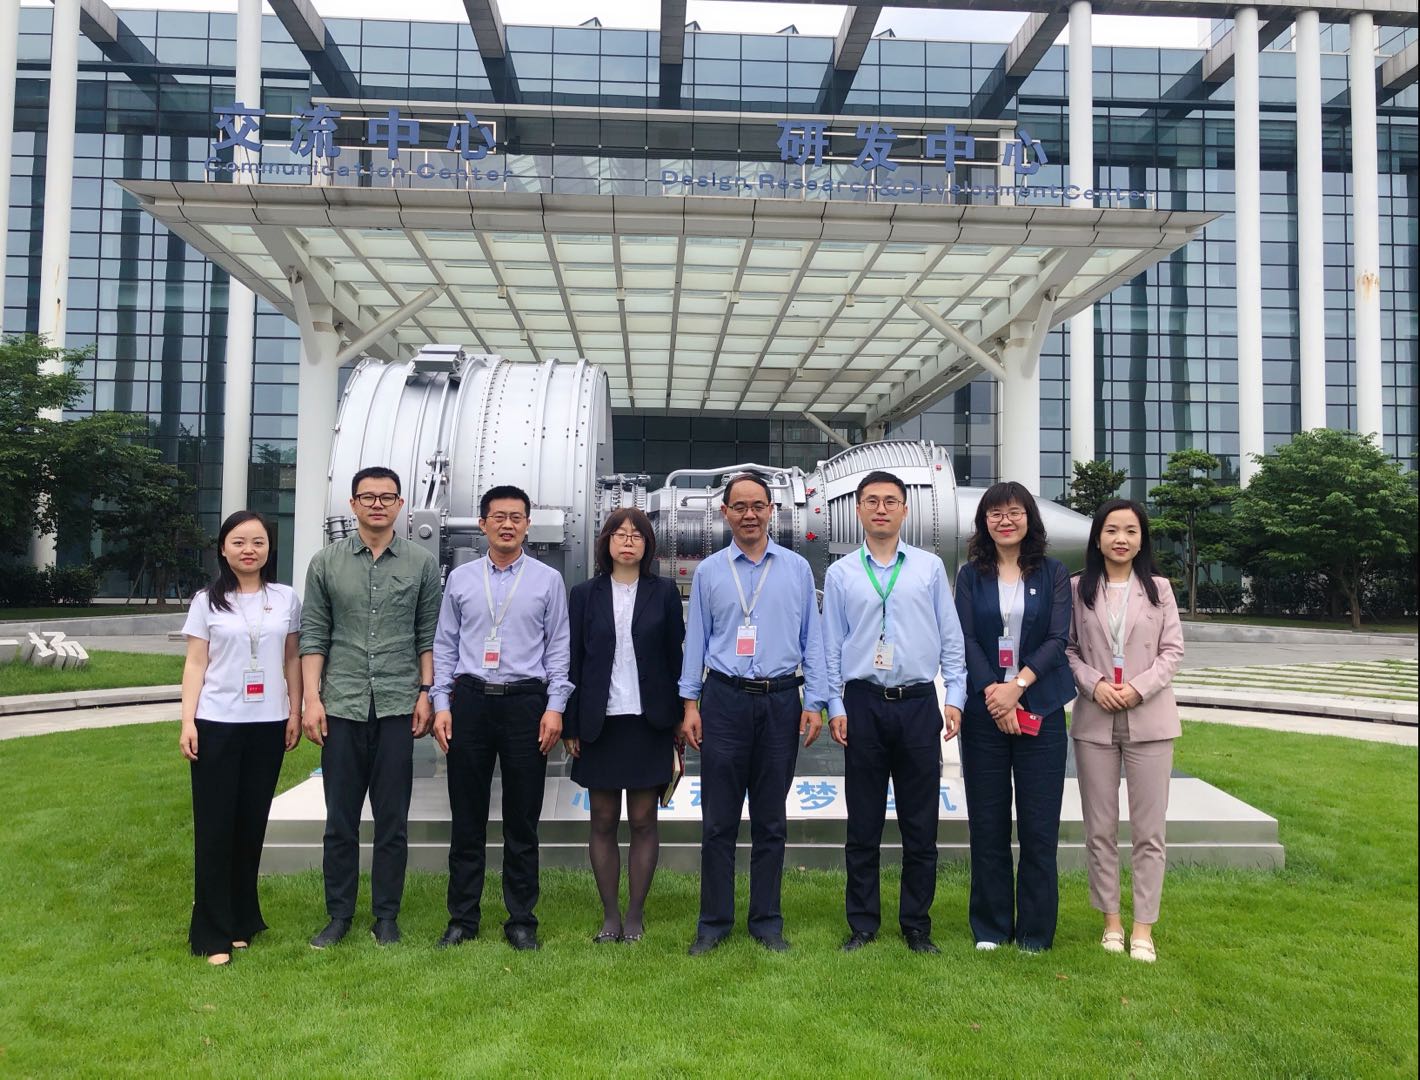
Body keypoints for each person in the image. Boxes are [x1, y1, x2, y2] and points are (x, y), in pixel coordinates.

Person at [679, 473, 829, 956]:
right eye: (739, 506)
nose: (749, 515)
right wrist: (689, 704)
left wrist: (816, 702)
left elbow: (812, 639)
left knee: (771, 820)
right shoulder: (709, 572)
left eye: (758, 506)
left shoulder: (796, 569)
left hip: (781, 701)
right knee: (718, 821)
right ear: (725, 513)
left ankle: (766, 922)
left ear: (771, 511)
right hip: (724, 700)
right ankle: (713, 923)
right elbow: (696, 640)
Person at [824, 470, 967, 955]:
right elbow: (831, 645)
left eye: (890, 501)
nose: (881, 509)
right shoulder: (842, 573)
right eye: (872, 501)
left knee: (920, 825)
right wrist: (836, 704)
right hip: (863, 703)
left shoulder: (929, 568)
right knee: (862, 824)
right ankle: (863, 924)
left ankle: (916, 925)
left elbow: (950, 637)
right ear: (858, 510)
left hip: (917, 704)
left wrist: (954, 697)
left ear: (905, 510)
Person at [300, 466, 442, 949]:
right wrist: (312, 699)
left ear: (400, 504)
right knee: (339, 820)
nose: (377, 504)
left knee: (392, 821)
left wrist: (426, 692)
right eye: (368, 497)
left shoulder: (421, 564)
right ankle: (338, 915)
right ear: (353, 504)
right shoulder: (325, 563)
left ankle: (386, 916)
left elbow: (428, 634)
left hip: (399, 706)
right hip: (342, 705)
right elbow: (315, 634)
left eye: (386, 497)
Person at [431, 485, 572, 952]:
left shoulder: (548, 580)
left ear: (527, 524)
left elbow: (558, 647)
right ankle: (462, 918)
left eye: (516, 517)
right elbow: (445, 645)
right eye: (498, 517)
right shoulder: (461, 579)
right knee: (466, 816)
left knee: (522, 818)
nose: (507, 525)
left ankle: (521, 920)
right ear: (482, 523)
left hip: (526, 703)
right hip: (470, 700)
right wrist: (442, 704)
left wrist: (555, 706)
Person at [954, 481, 1074, 952]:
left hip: (1040, 708)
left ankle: (1035, 932)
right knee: (988, 825)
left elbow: (1057, 639)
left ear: (1029, 518)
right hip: (985, 713)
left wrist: (1017, 687)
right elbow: (965, 638)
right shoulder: (971, 576)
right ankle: (991, 928)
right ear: (984, 522)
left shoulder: (1053, 573)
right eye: (995, 513)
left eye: (1014, 512)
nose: (1005, 521)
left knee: (1039, 828)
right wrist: (994, 692)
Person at [179, 510, 302, 966]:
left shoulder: (285, 598)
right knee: (215, 828)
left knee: (251, 826)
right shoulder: (206, 601)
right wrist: (188, 722)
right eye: (239, 542)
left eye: (258, 542)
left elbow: (292, 658)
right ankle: (210, 932)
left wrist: (295, 710)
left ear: (269, 548)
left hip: (268, 724)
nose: (249, 550)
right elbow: (195, 664)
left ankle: (241, 922)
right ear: (223, 548)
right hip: (217, 723)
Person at [1067, 498, 1185, 964]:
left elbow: (1172, 652)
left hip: (1150, 720)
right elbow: (1069, 649)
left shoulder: (1160, 589)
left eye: (1131, 531)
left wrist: (1137, 689)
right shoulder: (1078, 589)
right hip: (1095, 720)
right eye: (1112, 530)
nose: (1121, 539)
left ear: (1141, 540)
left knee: (1149, 832)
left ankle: (1143, 929)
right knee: (1099, 829)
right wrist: (1095, 684)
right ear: (1098, 538)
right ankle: (1111, 922)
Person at [563, 509, 685, 943]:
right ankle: (610, 916)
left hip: (649, 720)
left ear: (648, 544)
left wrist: (680, 716)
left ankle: (635, 915)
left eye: (637, 535)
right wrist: (571, 724)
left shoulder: (664, 592)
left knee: (643, 818)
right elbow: (573, 659)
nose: (628, 541)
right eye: (620, 534)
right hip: (600, 720)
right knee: (602, 818)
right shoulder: (584, 594)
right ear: (607, 543)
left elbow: (675, 657)